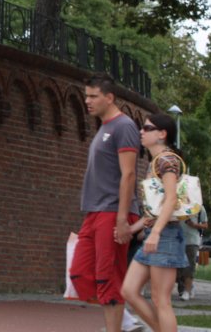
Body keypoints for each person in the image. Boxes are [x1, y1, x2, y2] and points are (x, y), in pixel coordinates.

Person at [69, 73, 140, 332]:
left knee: (108, 277)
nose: (87, 101)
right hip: (94, 212)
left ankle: (119, 322)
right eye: (86, 96)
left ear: (109, 98)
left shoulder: (124, 126)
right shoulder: (104, 128)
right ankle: (125, 319)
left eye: (93, 96)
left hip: (112, 211)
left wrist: (122, 219)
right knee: (79, 272)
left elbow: (129, 174)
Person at [121, 113, 188, 332]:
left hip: (165, 236)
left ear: (162, 134)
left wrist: (156, 232)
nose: (141, 131)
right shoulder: (155, 163)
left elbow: (171, 199)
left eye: (147, 128)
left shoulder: (167, 160)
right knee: (129, 290)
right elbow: (155, 210)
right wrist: (132, 229)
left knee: (161, 300)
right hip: (155, 234)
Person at [177, 204, 208, 301]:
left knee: (189, 266)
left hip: (192, 240)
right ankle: (185, 287)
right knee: (178, 267)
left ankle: (186, 290)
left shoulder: (199, 207)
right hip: (178, 239)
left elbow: (205, 225)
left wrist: (194, 225)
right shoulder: (178, 205)